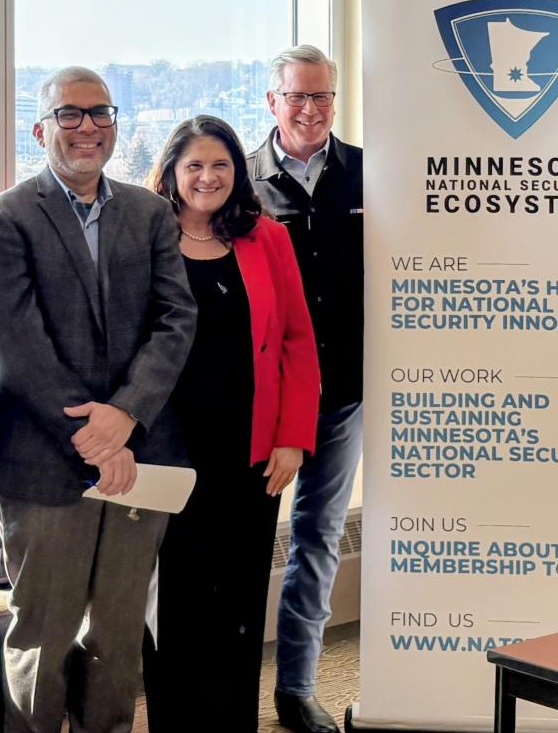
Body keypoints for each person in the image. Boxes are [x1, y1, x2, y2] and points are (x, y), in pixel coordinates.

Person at [0, 67, 196, 733]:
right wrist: (92, 433)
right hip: (40, 460)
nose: (88, 126)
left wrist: (126, 416)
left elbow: (176, 319)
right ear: (41, 129)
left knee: (117, 632)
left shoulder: (150, 212)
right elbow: (15, 338)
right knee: (44, 630)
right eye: (70, 114)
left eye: (100, 112)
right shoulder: (4, 216)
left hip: (138, 454)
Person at [141, 115, 320, 732]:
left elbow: (298, 338)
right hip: (164, 452)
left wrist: (294, 436)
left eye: (221, 165)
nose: (208, 177)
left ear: (238, 174)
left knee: (238, 599)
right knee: (174, 602)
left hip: (250, 448)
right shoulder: (144, 235)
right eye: (194, 165)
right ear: (171, 172)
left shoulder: (267, 237)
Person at [247, 44, 361, 733]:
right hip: (260, 397)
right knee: (247, 539)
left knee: (316, 539)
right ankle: (226, 684)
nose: (311, 110)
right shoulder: (241, 181)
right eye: (297, 97)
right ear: (272, 102)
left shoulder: (365, 174)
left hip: (342, 392)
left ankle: (296, 687)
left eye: (322, 98)